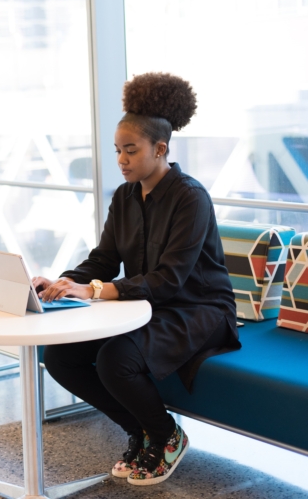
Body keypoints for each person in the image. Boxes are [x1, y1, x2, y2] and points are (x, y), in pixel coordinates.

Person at [32, 72, 241, 486]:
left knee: (116, 359)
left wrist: (93, 291)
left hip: (199, 309)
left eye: (131, 151)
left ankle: (167, 437)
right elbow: (105, 258)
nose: (122, 160)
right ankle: (141, 431)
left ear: (160, 149)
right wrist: (60, 282)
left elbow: (170, 279)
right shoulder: (125, 197)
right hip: (146, 305)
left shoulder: (190, 197)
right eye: (117, 151)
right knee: (59, 355)